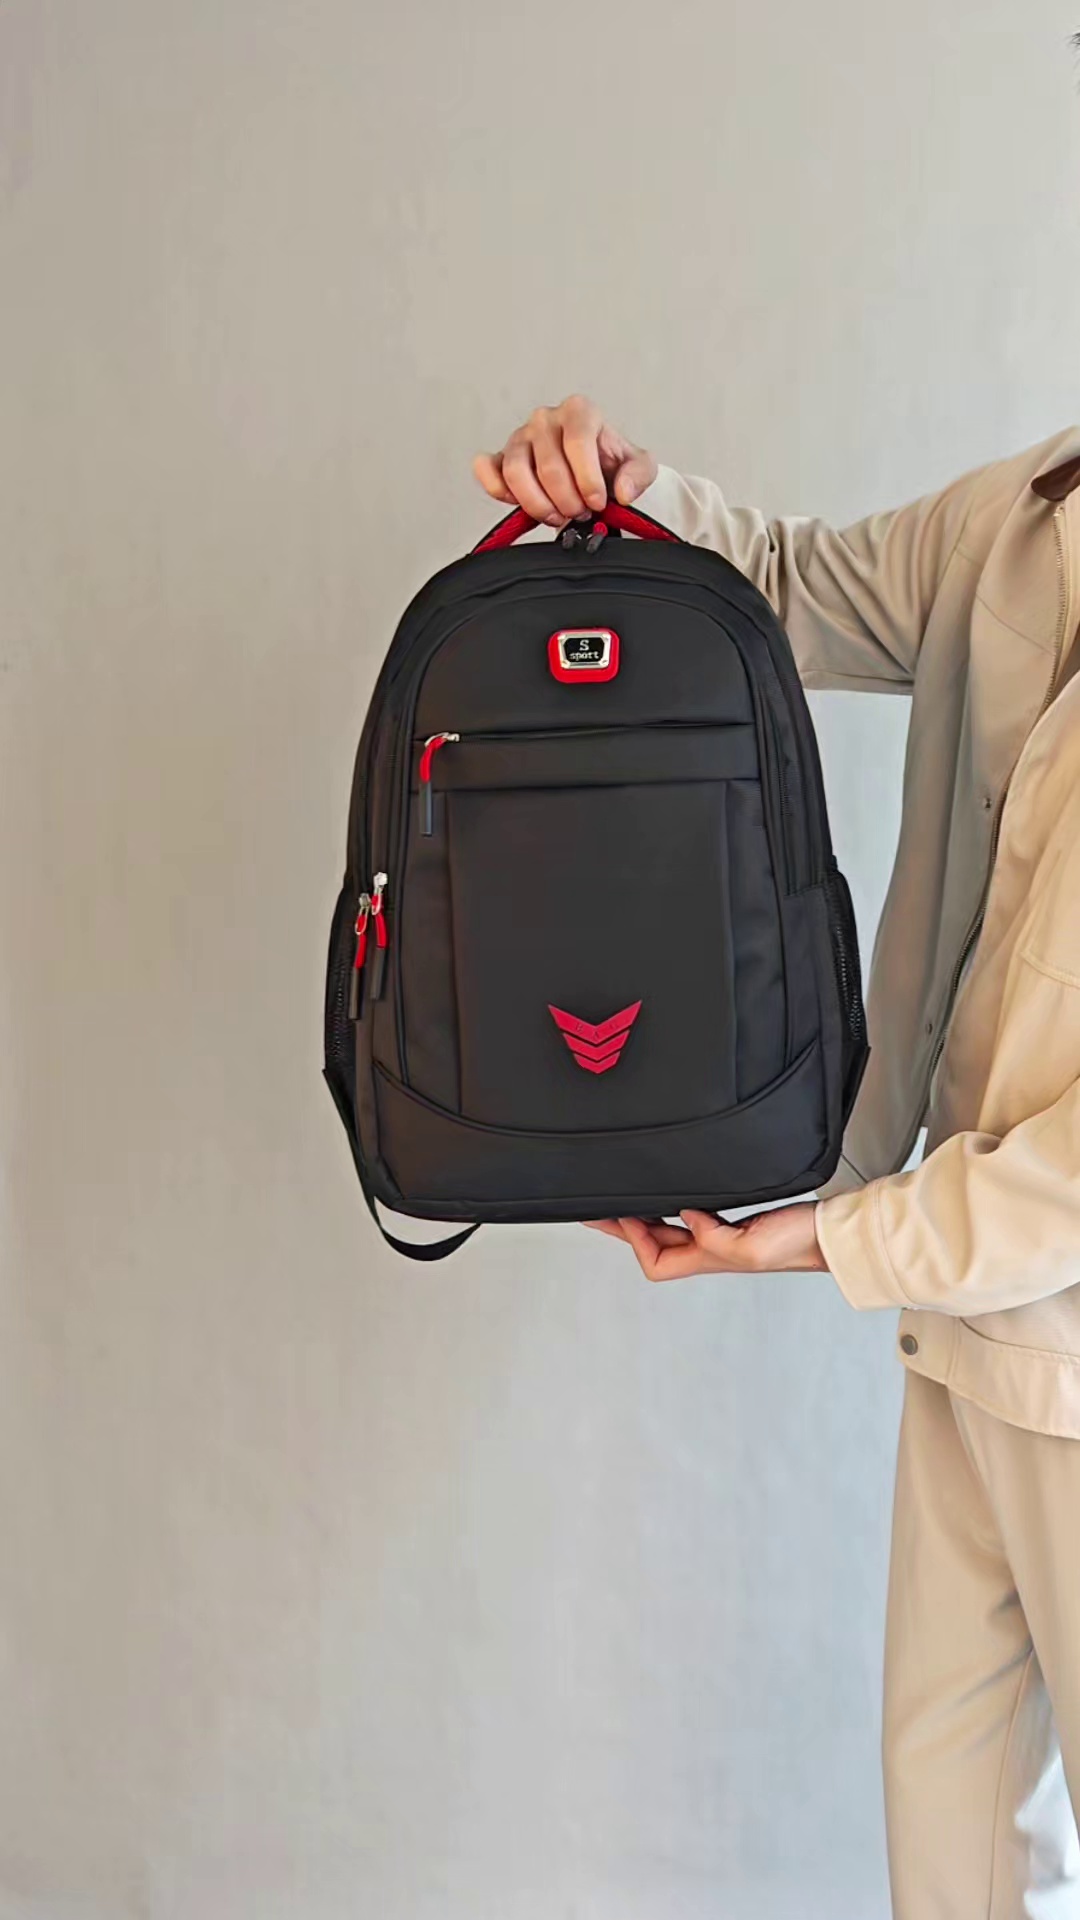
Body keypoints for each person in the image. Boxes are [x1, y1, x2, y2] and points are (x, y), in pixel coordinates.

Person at [475, 396, 1080, 1917]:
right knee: (951, 1861)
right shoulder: (1030, 510)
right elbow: (792, 587)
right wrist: (627, 495)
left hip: (1042, 1327)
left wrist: (824, 1236)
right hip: (967, 1338)